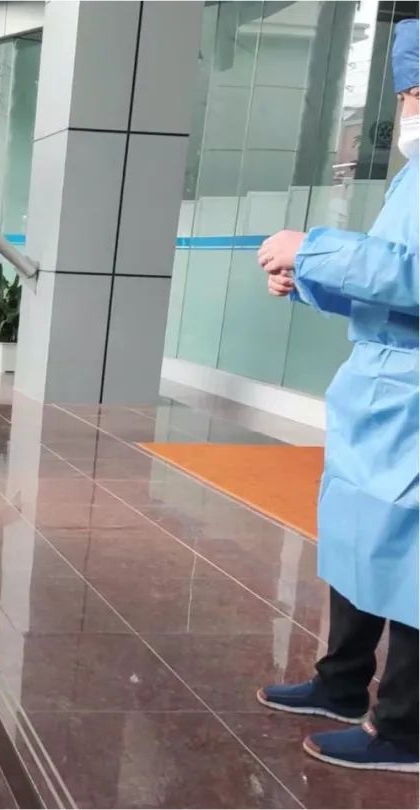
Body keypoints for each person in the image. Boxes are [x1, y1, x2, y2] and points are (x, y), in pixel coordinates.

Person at [255, 18, 418, 773]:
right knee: (358, 540)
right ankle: (341, 683)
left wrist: (315, 248)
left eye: (416, 93)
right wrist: (309, 280)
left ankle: (405, 729)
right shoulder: (411, 178)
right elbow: (388, 283)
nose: (408, 107)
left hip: (409, 398)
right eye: (407, 93)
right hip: (385, 388)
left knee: (411, 563)